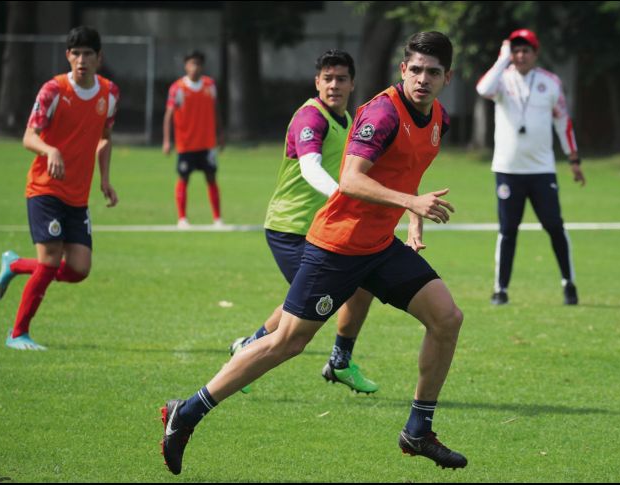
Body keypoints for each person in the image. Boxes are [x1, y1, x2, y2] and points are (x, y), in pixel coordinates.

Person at [160, 32, 467, 474]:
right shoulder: (382, 113)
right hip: (337, 246)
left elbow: (405, 173)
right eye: (415, 70)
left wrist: (414, 215)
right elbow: (352, 179)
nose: (423, 79)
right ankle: (184, 414)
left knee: (447, 318)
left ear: (447, 77)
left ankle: (418, 430)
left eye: (433, 72)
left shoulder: (438, 117)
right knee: (287, 341)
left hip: (379, 246)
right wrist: (410, 204)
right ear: (403, 70)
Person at [229, 50, 378, 395]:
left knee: (364, 283)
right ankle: (248, 348)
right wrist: (344, 196)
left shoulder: (348, 120)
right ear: (317, 82)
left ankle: (340, 361)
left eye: (341, 78)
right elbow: (311, 167)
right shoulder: (310, 117)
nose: (334, 85)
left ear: (352, 83)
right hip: (290, 226)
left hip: (324, 226)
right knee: (308, 302)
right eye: (328, 78)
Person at [0, 26, 119, 350]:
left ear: (99, 58)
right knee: (49, 262)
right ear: (68, 56)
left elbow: (105, 137)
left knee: (79, 269)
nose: (81, 60)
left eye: (88, 53)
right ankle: (17, 333)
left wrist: (104, 179)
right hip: (45, 188)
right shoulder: (54, 90)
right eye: (75, 54)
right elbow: (29, 136)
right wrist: (51, 150)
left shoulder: (109, 94)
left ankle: (16, 265)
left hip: (78, 194)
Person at [476, 28, 585, 306]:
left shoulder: (550, 82)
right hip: (508, 170)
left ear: (536, 53)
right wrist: (502, 59)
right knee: (508, 230)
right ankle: (500, 289)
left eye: (526, 50)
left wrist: (573, 159)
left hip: (541, 170)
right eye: (516, 50)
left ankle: (568, 283)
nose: (521, 55)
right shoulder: (502, 80)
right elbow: (483, 89)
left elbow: (564, 122)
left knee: (554, 226)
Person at [163, 50, 224, 228]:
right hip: (186, 144)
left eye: (197, 64)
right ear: (185, 66)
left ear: (202, 66)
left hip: (207, 144)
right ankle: (182, 218)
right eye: (191, 63)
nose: (194, 67)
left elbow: (216, 110)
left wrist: (220, 133)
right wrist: (167, 140)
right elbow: (168, 115)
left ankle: (217, 219)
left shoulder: (210, 85)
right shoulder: (177, 88)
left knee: (211, 177)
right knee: (183, 179)